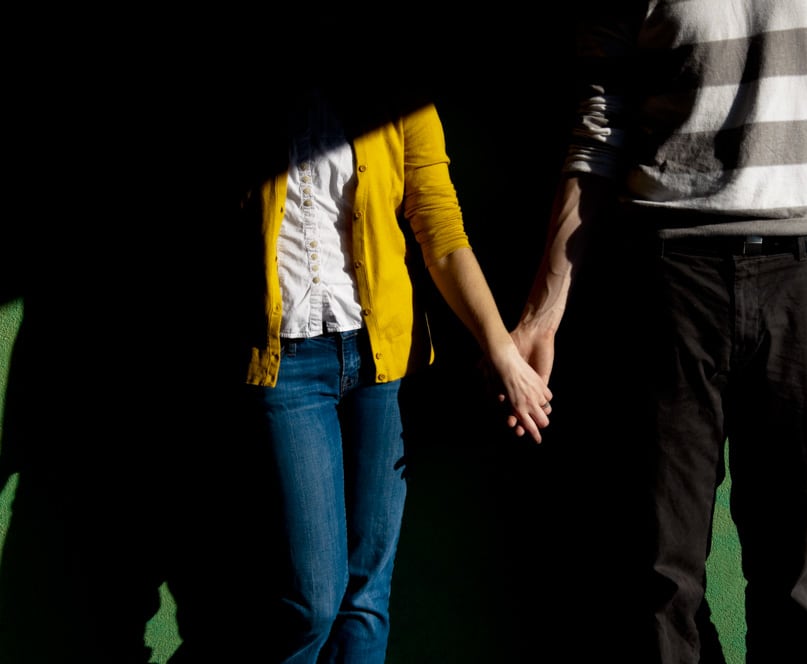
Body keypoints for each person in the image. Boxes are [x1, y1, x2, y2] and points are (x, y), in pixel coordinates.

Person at [510, 2, 807, 662]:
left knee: (794, 587)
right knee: (660, 584)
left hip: (804, 281)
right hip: (666, 285)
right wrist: (543, 312)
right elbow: (597, 130)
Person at [166, 83, 552, 664]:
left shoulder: (400, 90)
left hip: (377, 361)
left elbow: (440, 228)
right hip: (286, 364)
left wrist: (500, 348)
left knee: (366, 598)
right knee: (311, 602)